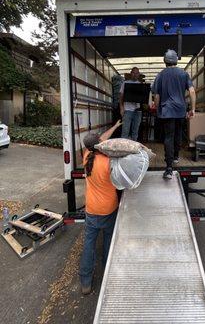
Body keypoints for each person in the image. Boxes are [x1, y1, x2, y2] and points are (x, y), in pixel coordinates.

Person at [79, 120, 122, 295]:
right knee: (108, 243)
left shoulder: (86, 156)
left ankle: (86, 283)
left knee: (89, 245)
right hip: (109, 210)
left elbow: (100, 139)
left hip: (91, 210)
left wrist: (115, 126)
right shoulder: (108, 161)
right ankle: (107, 276)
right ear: (100, 144)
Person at [152, 50, 196, 179]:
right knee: (178, 133)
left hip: (167, 110)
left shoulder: (160, 75)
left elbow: (157, 95)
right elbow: (192, 92)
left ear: (165, 61)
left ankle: (169, 167)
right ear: (176, 60)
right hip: (180, 110)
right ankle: (176, 156)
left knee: (169, 136)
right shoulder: (184, 74)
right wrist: (193, 109)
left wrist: (156, 107)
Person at [119, 67, 142, 141]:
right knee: (125, 131)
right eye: (133, 73)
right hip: (127, 110)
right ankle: (123, 150)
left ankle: (134, 149)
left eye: (137, 73)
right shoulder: (125, 83)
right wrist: (121, 108)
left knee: (135, 132)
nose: (135, 74)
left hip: (138, 111)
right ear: (131, 73)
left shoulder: (141, 85)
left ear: (139, 74)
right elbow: (121, 97)